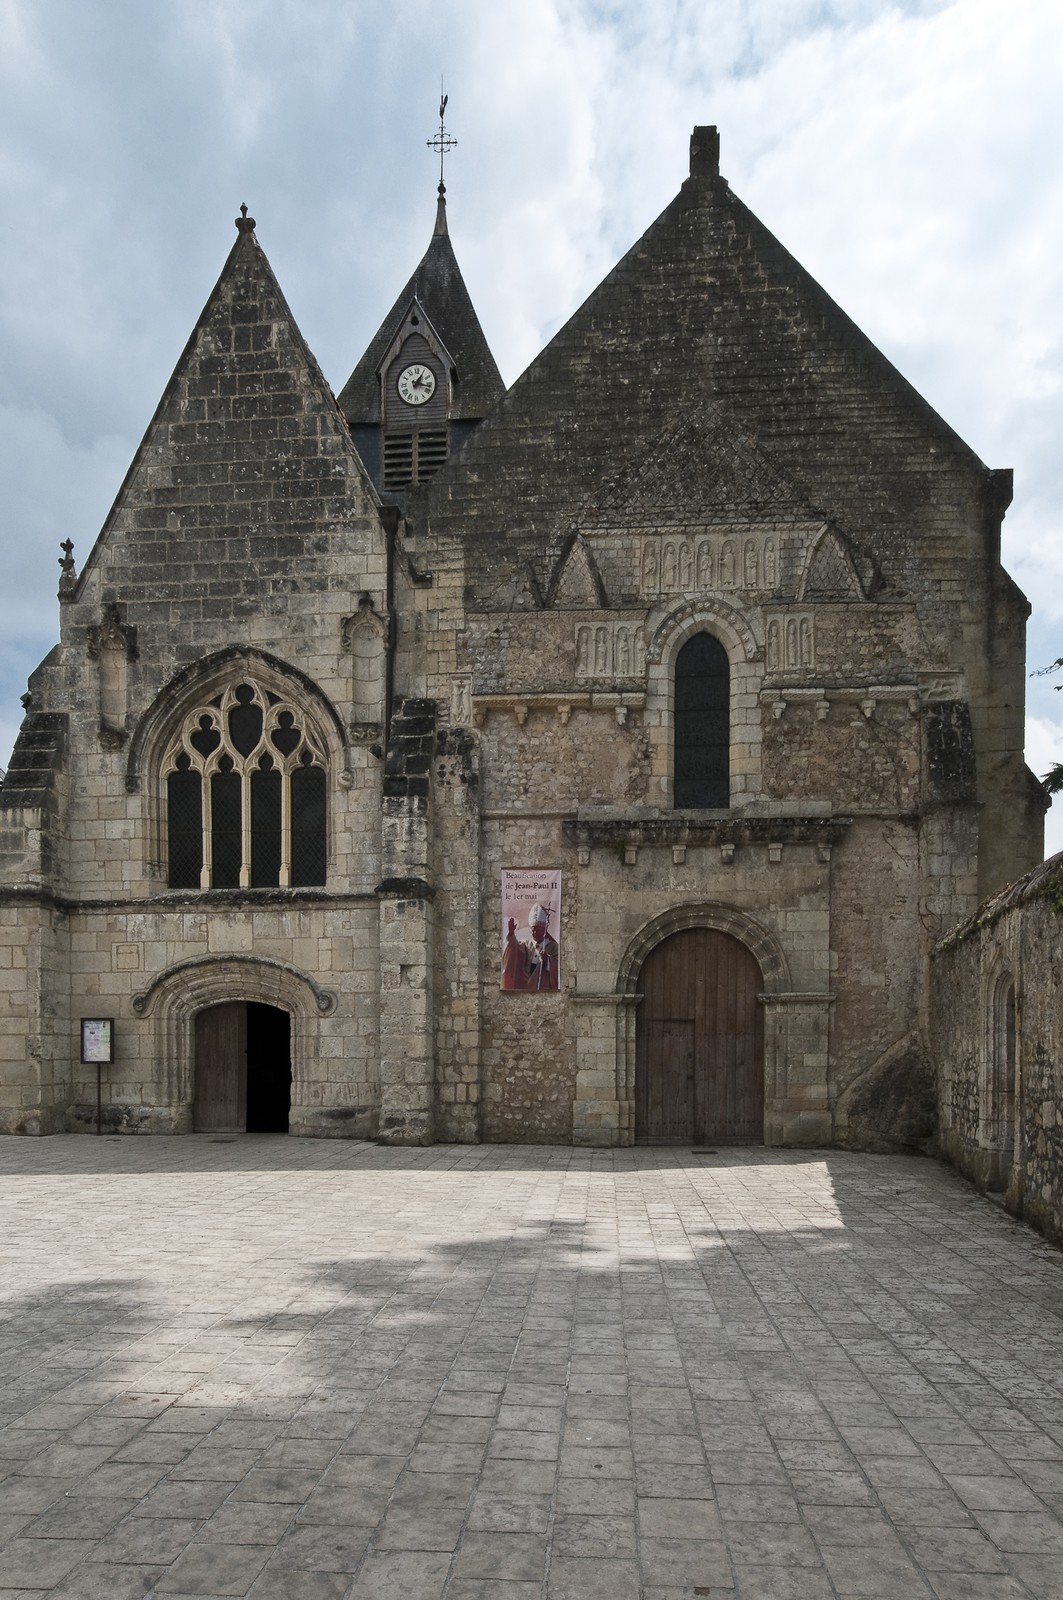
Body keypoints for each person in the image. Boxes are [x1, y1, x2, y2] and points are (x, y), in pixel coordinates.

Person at [501, 902, 560, 991]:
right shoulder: (527, 944)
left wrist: (547, 960)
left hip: (543, 987)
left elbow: (558, 966)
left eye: (539, 930)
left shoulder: (553, 946)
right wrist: (511, 935)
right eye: (533, 930)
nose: (535, 933)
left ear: (545, 929)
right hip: (525, 986)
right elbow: (514, 951)